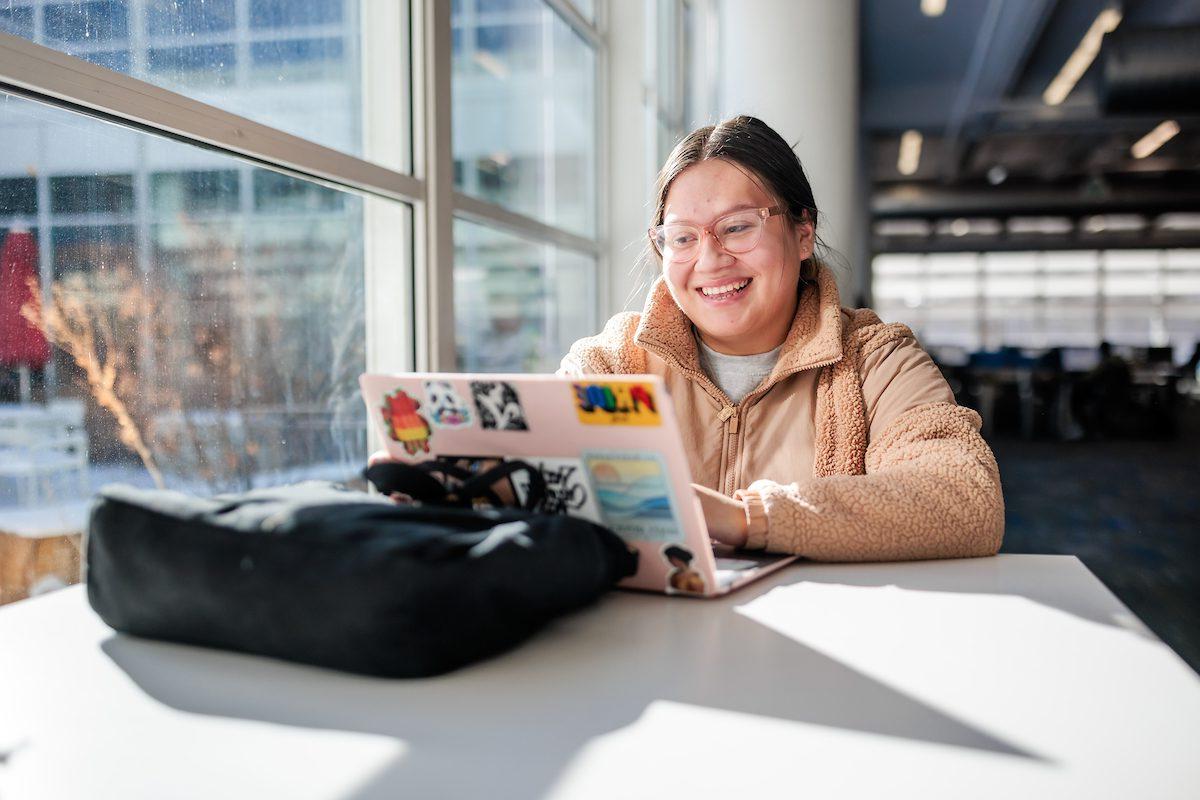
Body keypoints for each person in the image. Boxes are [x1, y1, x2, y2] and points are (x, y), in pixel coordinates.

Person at [557, 115, 1004, 561]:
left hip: (822, 625)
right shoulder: (616, 364)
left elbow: (966, 497)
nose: (709, 260)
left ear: (803, 232)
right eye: (682, 238)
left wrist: (749, 519)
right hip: (650, 625)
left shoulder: (876, 362)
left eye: (737, 227)